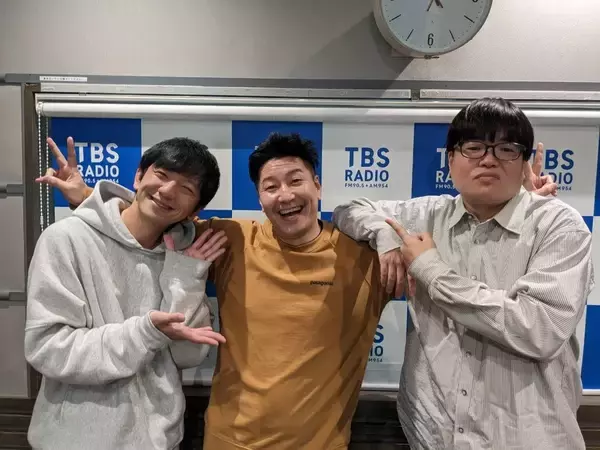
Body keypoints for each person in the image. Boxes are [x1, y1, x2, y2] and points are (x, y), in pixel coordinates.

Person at [42, 126, 555, 449]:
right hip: (227, 441)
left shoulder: (367, 254)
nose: (284, 194)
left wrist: (520, 207)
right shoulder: (232, 240)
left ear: (318, 186)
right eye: (270, 186)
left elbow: (468, 256)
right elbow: (154, 220)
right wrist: (88, 200)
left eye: (295, 180)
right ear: (259, 197)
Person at [332, 97, 593, 449]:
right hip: (434, 437)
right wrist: (385, 234)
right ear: (450, 159)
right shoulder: (426, 216)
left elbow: (538, 329)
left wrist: (430, 269)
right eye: (473, 147)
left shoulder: (558, 225)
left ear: (524, 164)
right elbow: (349, 209)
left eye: (506, 149)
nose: (488, 159)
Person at [25, 137, 227, 450]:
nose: (167, 191)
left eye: (186, 188)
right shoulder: (65, 239)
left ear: (195, 210)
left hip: (159, 440)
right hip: (75, 440)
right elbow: (48, 349)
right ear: (138, 176)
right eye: (162, 175)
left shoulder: (184, 257)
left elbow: (187, 355)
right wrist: (143, 333)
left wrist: (186, 278)